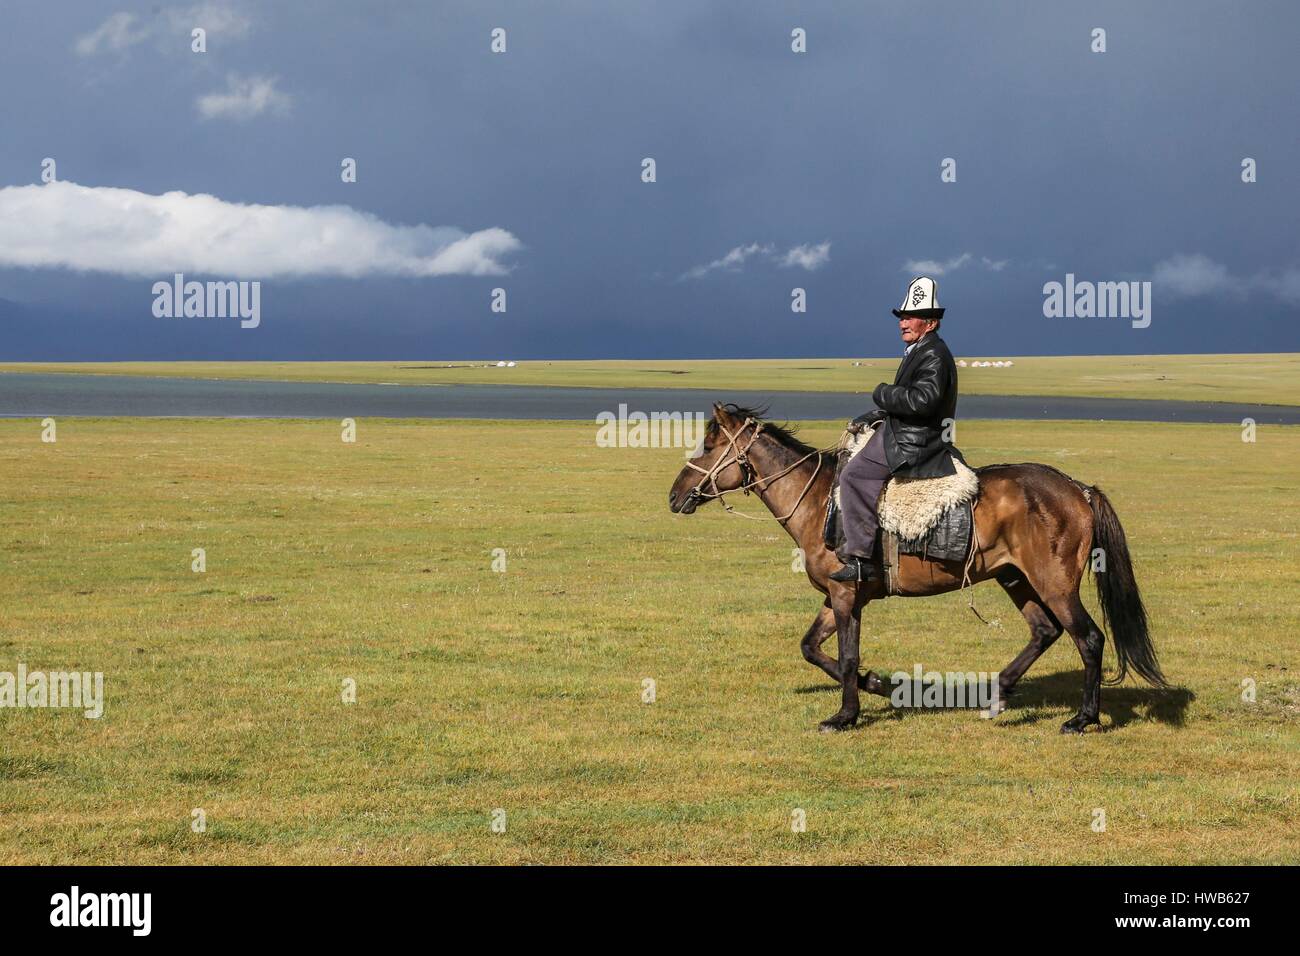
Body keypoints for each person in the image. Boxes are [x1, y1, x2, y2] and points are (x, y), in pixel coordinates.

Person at [830, 275, 966, 583]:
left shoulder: (932, 354)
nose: (902, 323)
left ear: (930, 323)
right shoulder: (923, 349)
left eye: (910, 317)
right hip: (908, 431)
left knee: (853, 476)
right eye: (902, 317)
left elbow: (922, 401)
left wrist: (882, 393)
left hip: (914, 441)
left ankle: (862, 558)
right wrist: (877, 412)